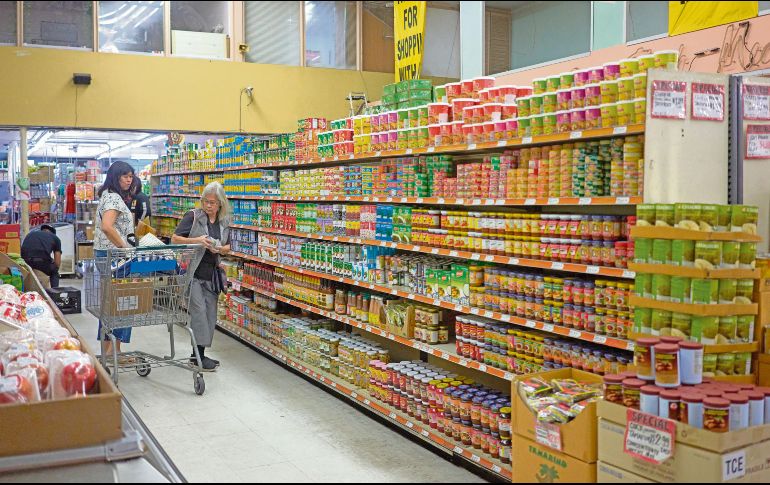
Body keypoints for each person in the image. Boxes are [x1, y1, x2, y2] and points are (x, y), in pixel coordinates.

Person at [171, 182, 231, 372]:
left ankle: (199, 354)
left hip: (211, 275)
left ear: (220, 204)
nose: (208, 205)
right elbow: (175, 239)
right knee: (198, 313)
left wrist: (220, 249)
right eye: (206, 201)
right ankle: (198, 357)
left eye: (213, 202)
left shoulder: (224, 221)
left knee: (210, 315)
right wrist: (197, 241)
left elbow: (230, 246)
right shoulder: (193, 216)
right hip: (193, 273)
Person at [94, 161, 136, 362]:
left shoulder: (108, 195)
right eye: (125, 176)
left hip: (108, 256)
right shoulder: (112, 197)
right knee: (121, 304)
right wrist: (124, 246)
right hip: (114, 258)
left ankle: (112, 352)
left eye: (131, 176)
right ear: (115, 177)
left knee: (113, 304)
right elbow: (107, 226)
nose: (129, 180)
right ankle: (112, 353)